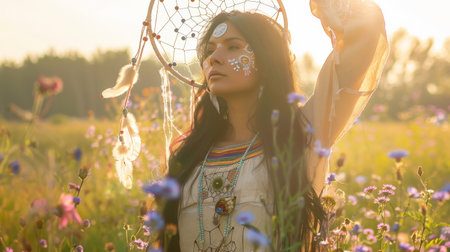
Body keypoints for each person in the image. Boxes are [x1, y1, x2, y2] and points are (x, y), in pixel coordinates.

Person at [160, 0, 390, 251]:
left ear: (267, 59)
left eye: (233, 47)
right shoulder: (188, 153)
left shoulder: (301, 133)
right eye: (210, 49)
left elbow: (367, 31)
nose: (214, 58)